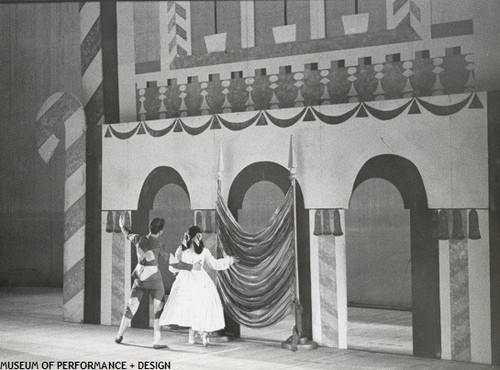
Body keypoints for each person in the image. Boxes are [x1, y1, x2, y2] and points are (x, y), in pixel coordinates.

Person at [114, 215, 201, 349]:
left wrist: (122, 226)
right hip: (155, 280)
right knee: (158, 309)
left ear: (149, 228)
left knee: (131, 307)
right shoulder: (159, 245)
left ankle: (119, 335)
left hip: (140, 279)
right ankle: (156, 342)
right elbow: (174, 262)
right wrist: (191, 267)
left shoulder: (138, 239)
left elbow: (128, 234)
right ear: (160, 232)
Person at [159, 225, 238, 346]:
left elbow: (215, 264)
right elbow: (173, 266)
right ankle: (195, 335)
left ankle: (201, 332)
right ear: (193, 237)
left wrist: (229, 260)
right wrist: (181, 268)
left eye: (200, 236)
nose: (199, 238)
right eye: (198, 236)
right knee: (191, 308)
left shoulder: (204, 251)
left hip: (201, 281)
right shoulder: (181, 250)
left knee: (201, 307)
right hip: (186, 282)